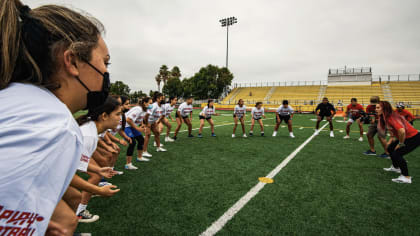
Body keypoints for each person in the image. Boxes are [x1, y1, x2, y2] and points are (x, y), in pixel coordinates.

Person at [0, 1, 110, 235]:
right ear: (71, 61)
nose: (106, 73)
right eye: (105, 62)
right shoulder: (52, 125)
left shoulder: (18, 101)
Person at [75, 96, 121, 223]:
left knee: (73, 197)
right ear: (104, 116)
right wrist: (99, 190)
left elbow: (78, 163)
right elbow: (67, 174)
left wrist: (99, 170)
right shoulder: (88, 135)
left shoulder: (92, 129)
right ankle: (79, 212)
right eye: (117, 114)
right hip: (40, 179)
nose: (120, 118)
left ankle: (77, 212)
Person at [378, 101, 420, 184]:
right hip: (407, 137)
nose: (376, 109)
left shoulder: (391, 117)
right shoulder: (386, 116)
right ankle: (395, 167)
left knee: (397, 154)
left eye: (378, 107)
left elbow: (401, 131)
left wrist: (400, 143)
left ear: (384, 109)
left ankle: (406, 177)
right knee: (390, 148)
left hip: (413, 137)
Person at [124, 97, 151, 170]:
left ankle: (139, 157)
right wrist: (137, 128)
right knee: (132, 142)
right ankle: (128, 164)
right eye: (150, 103)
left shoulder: (145, 109)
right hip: (125, 125)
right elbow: (128, 120)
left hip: (131, 125)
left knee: (141, 140)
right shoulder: (138, 109)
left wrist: (141, 124)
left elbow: (140, 118)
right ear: (145, 103)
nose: (151, 105)